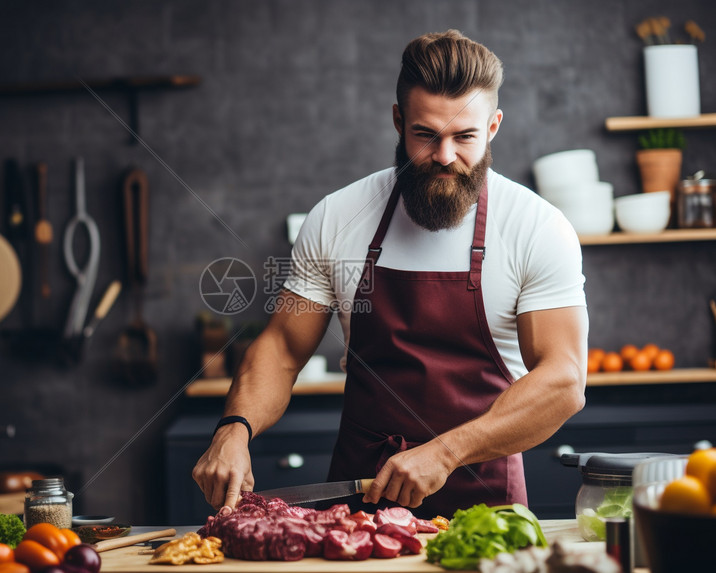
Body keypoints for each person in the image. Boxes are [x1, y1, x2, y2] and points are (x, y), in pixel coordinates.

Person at [193, 30, 588, 519]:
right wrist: (235, 427)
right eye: (426, 135)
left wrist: (444, 453)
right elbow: (282, 347)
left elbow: (563, 380)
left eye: (464, 137)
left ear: (493, 127)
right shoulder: (337, 217)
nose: (445, 156)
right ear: (399, 120)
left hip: (483, 504)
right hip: (362, 499)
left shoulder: (538, 227)